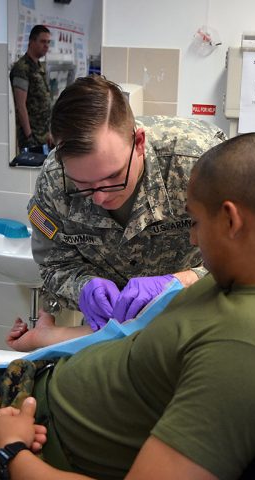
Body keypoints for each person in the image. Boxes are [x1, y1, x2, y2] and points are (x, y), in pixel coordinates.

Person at [0, 132, 255, 480]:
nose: (193, 238)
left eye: (194, 222)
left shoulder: (249, 351)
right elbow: (138, 339)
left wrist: (9, 453)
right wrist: (50, 337)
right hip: (37, 388)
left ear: (230, 220)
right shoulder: (249, 278)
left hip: (40, 444)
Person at [15, 74, 226, 348]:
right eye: (84, 185)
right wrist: (83, 287)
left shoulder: (198, 162)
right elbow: (54, 265)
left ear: (138, 142)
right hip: (110, 336)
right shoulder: (55, 180)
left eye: (114, 177)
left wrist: (181, 282)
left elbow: (250, 258)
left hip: (197, 328)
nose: (101, 197)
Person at [9, 25, 52, 152]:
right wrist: (29, 137)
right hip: (31, 138)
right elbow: (20, 105)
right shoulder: (22, 68)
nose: (46, 46)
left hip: (42, 136)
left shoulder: (38, 66)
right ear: (32, 42)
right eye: (43, 41)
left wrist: (47, 133)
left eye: (48, 42)